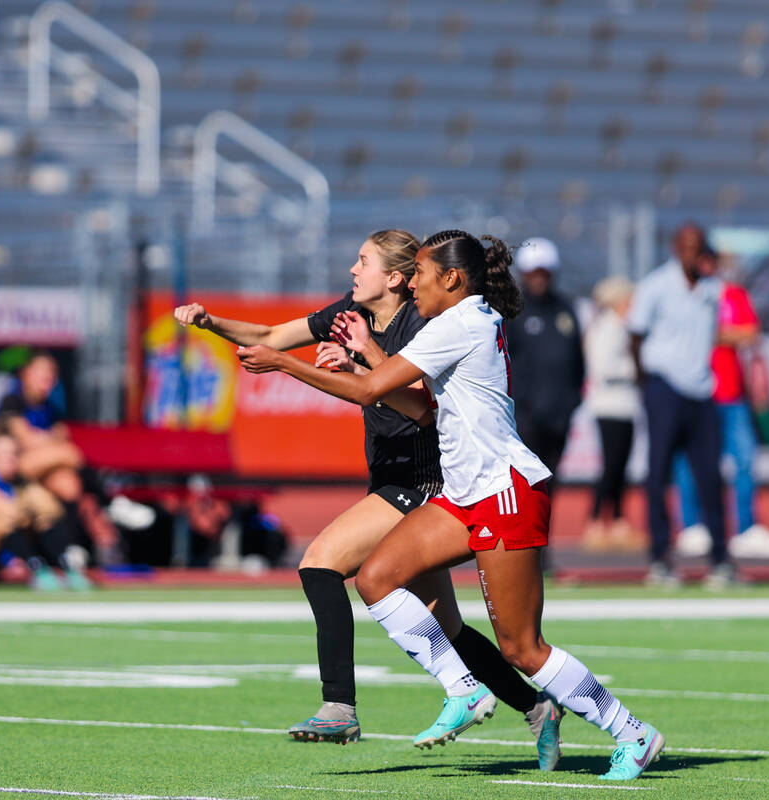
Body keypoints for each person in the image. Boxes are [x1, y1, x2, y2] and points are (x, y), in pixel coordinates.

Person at [237, 230, 663, 781]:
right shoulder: (462, 320)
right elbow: (418, 404)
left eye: (420, 272)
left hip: (504, 492)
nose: (413, 282)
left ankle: (631, 732)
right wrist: (367, 354)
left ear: (452, 279)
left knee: (522, 648)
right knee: (377, 578)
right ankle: (463, 688)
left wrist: (284, 363)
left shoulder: (459, 323)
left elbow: (372, 394)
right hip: (464, 494)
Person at [177, 229, 562, 768]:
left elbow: (422, 410)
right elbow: (268, 333)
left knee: (320, 563)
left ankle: (339, 705)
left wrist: (358, 364)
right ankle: (536, 705)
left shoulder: (428, 321)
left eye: (363, 262)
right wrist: (209, 322)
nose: (353, 271)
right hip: (389, 477)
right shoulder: (347, 312)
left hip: (424, 481)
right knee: (445, 627)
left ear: (397, 278)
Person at [628, 224, 732, 588]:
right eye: (686, 246)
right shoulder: (655, 286)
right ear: (675, 248)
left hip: (701, 391)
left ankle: (720, 559)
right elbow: (636, 336)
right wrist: (647, 385)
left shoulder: (711, 289)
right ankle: (660, 558)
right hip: (664, 388)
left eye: (697, 247)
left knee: (710, 476)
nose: (691, 253)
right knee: (658, 475)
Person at [673, 252, 769, 560]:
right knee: (689, 464)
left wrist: (709, 334)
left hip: (732, 395)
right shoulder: (684, 295)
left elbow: (749, 333)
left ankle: (746, 527)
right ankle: (691, 526)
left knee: (745, 461)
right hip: (696, 391)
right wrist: (721, 335)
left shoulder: (733, 294)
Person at [0, 427, 89, 590]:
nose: (10, 459)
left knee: (44, 519)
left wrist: (33, 508)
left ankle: (67, 567)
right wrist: (28, 507)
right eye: (4, 453)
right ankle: (37, 569)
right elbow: (6, 510)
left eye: (14, 453)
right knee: (5, 521)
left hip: (16, 540)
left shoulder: (19, 480)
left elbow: (52, 509)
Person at [505, 237, 584, 497]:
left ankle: (543, 535)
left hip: (559, 415)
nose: (539, 279)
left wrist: (572, 400)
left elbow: (578, 359)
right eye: (533, 273)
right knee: (524, 484)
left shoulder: (565, 309)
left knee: (551, 480)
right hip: (524, 416)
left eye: (544, 273)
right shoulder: (513, 310)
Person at [581, 277, 642, 552]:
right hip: (610, 406)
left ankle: (618, 521)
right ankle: (595, 521)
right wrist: (637, 369)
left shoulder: (619, 326)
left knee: (620, 467)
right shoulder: (608, 327)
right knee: (611, 465)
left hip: (625, 405)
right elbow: (603, 367)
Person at [0, 351, 86, 505]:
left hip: (38, 468)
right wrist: (53, 440)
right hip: (7, 465)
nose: (47, 376)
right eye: (41, 370)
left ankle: (102, 503)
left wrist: (47, 440)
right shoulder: (12, 401)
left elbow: (62, 434)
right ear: (25, 374)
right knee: (69, 453)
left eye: (51, 371)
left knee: (69, 484)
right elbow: (27, 440)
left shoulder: (50, 408)